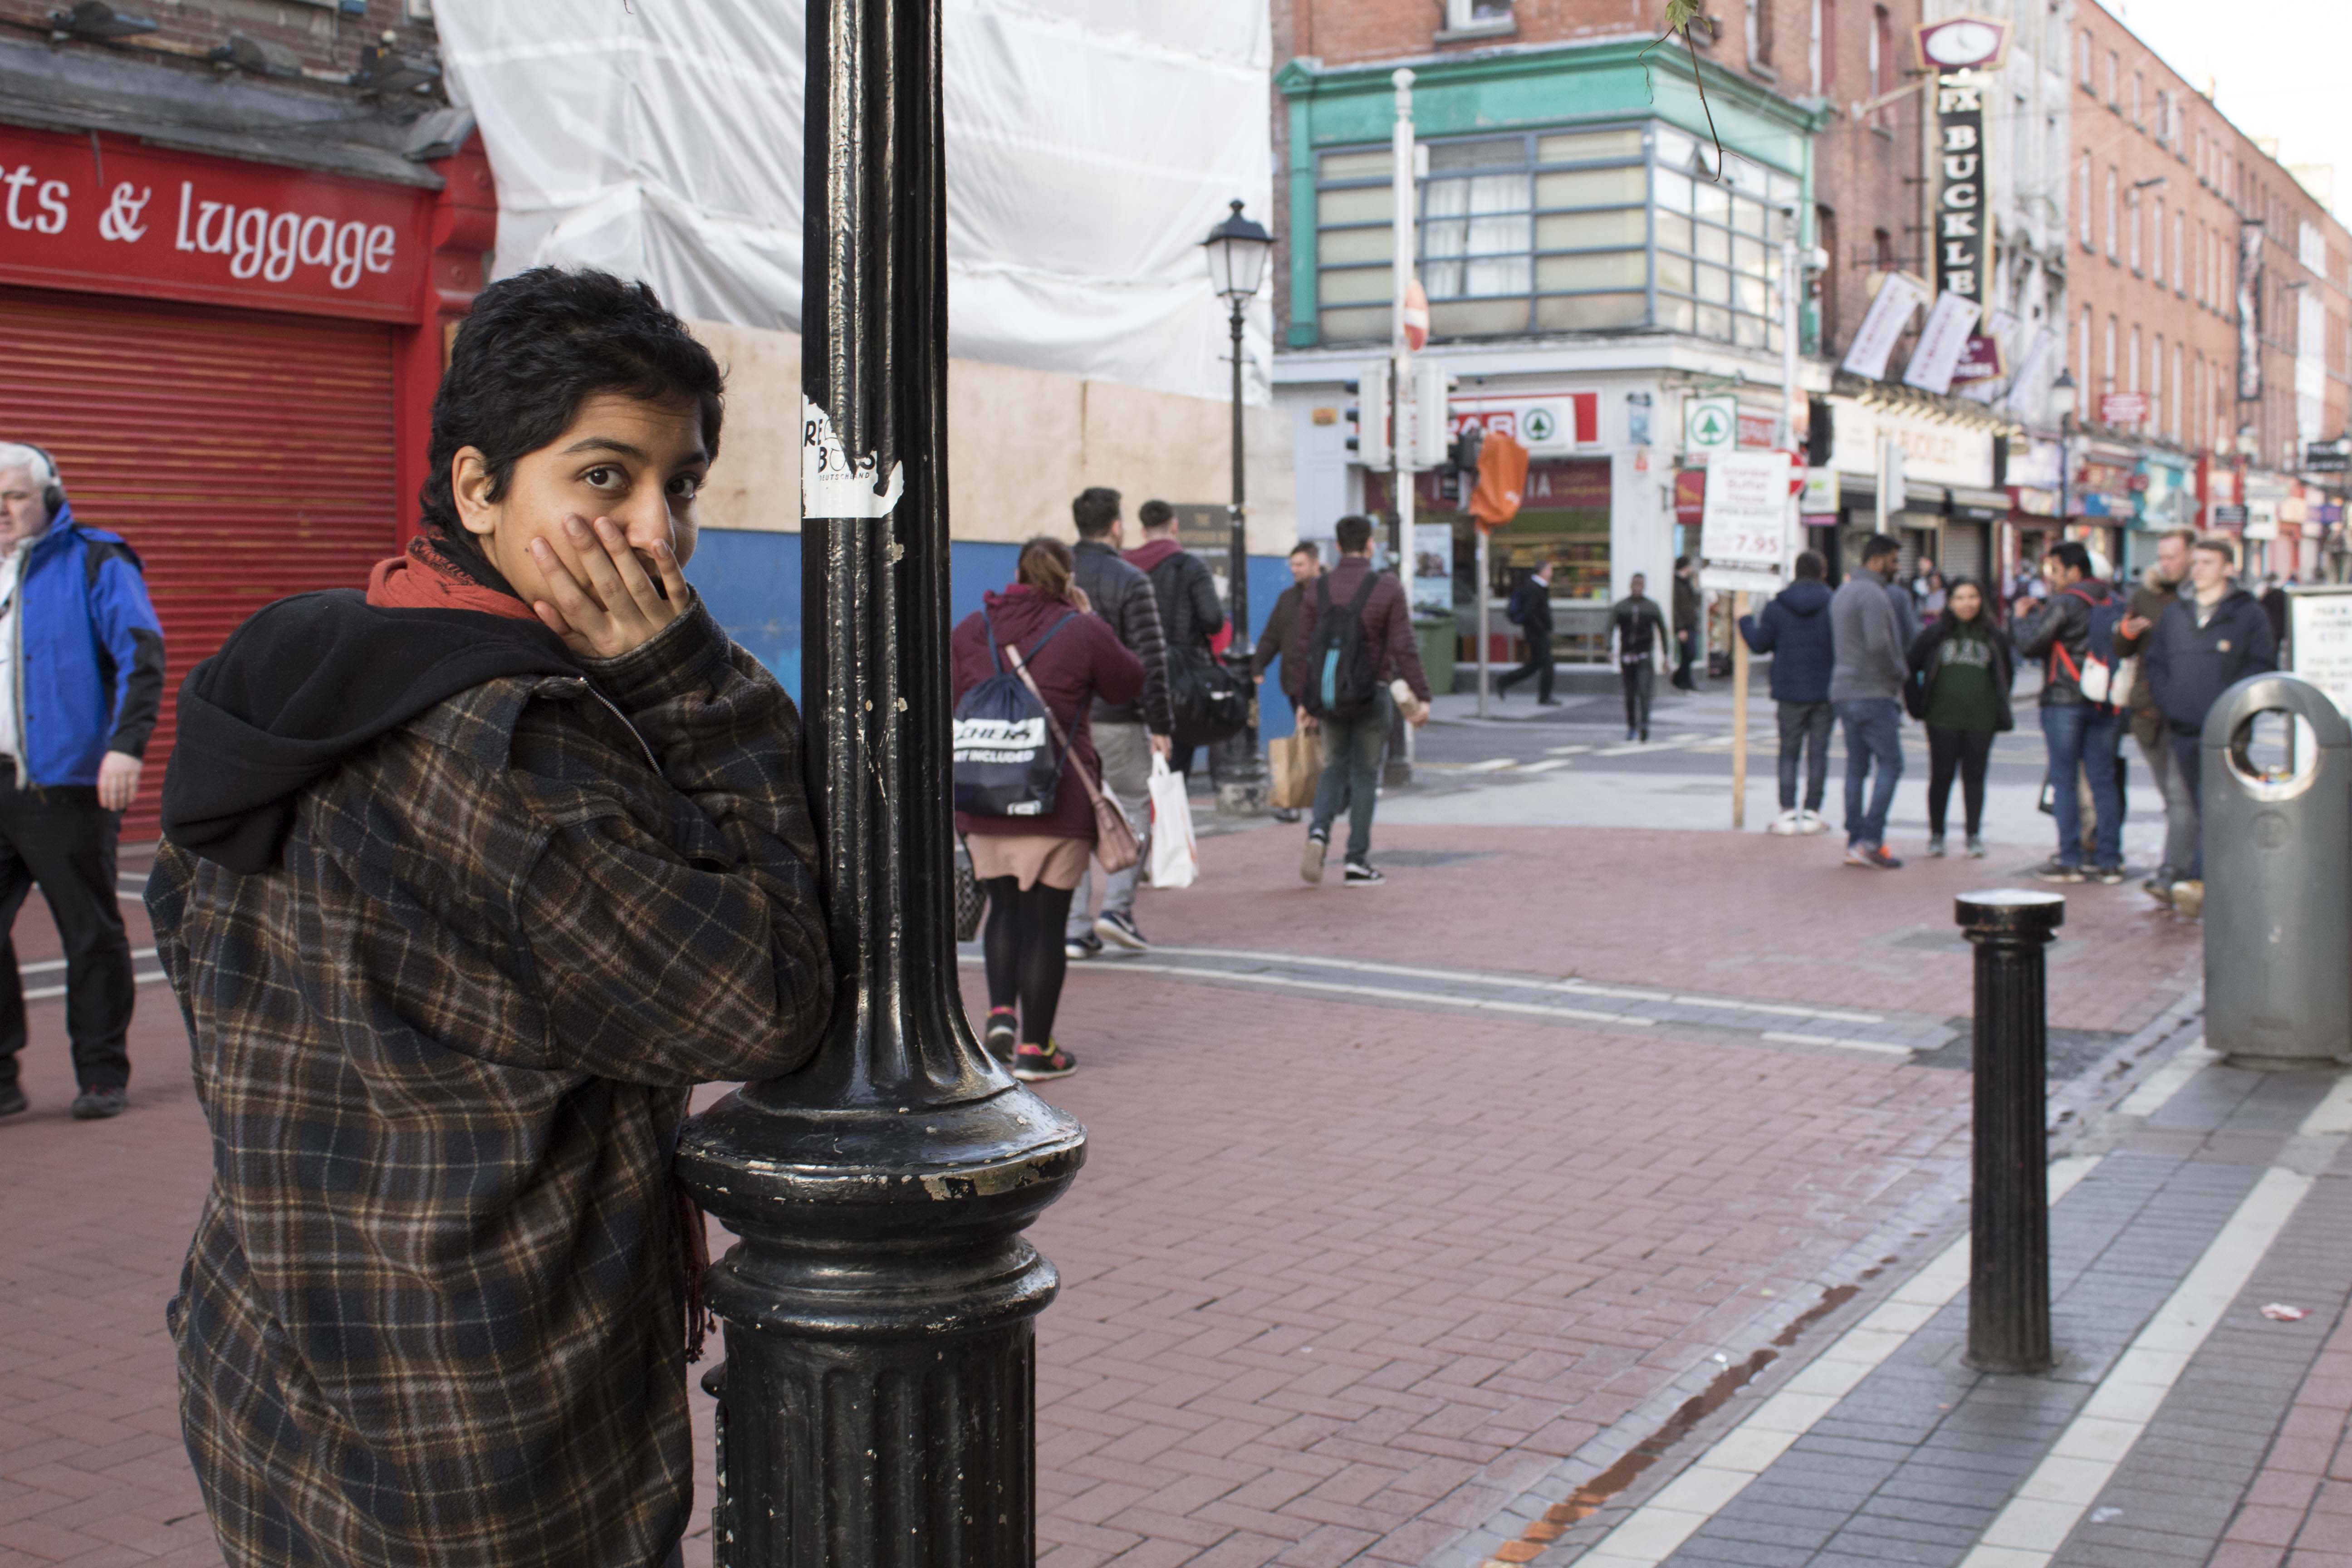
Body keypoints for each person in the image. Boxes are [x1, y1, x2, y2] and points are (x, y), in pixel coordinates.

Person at [148, 267, 834, 1568]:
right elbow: (775, 996)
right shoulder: (524, 745)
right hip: (482, 1422)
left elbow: (199, 949)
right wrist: (691, 682)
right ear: (478, 487)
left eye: (679, 487)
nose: (655, 533)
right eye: (602, 478)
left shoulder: (295, 668)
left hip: (263, 1358)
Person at [0, 443, 163, 1123]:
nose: (3, 512)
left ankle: (101, 1072)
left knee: (88, 931)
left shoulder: (96, 559)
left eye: (14, 497)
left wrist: (125, 748)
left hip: (65, 783)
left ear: (51, 498)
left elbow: (142, 654)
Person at [954, 536, 1142, 1078]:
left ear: (1016, 574)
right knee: (1046, 921)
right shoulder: (1080, 628)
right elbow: (1128, 682)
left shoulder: (972, 628)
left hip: (984, 796)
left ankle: (1000, 1019)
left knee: (1003, 909)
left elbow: (949, 701)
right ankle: (1038, 1050)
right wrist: (1090, 619)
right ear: (1067, 579)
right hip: (1057, 799)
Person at [1290, 513, 1430, 886]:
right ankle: (1356, 861)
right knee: (1365, 773)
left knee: (1334, 766)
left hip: (1330, 695)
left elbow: (1304, 649)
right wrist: (1422, 696)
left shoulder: (1317, 590)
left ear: (1336, 547)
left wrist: (1307, 700)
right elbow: (1404, 647)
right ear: (1371, 544)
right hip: (1373, 694)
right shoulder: (1386, 587)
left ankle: (1318, 832)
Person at [1063, 487, 1173, 958]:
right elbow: (1150, 658)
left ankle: (1074, 926)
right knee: (1131, 809)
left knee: (1071, 821)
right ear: (1115, 525)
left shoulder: (1055, 575)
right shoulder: (1130, 579)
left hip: (1065, 722)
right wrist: (1162, 724)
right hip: (1119, 719)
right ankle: (1119, 910)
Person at [2142, 534, 2277, 911]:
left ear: (2228, 568)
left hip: (2226, 729)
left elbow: (2261, 666)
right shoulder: (2176, 612)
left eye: (2207, 563)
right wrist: (2169, 702)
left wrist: (2233, 709)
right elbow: (2156, 662)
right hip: (2181, 724)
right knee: (2180, 801)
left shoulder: (2247, 613)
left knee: (2215, 803)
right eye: (2196, 562)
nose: (2197, 569)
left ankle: (2204, 877)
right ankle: (2175, 873)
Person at [2012, 540, 2124, 884]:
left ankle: (2070, 858)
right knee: (2103, 780)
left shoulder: (2067, 602)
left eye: (2056, 571)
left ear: (2075, 571)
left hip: (2064, 700)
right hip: (2105, 699)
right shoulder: (2115, 601)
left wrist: (2020, 619)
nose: (2053, 579)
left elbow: (2032, 643)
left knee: (2065, 780)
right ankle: (2109, 859)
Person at [2112, 529, 2195, 896]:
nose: (2165, 564)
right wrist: (2126, 633)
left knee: (2182, 797)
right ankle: (2187, 866)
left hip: (2190, 712)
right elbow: (2121, 649)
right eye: (2161, 556)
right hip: (2149, 712)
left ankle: (2173, 871)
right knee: (2173, 798)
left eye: (2173, 556)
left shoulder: (2203, 598)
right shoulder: (2146, 595)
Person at [1907, 578, 2014, 859]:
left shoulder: (1993, 635)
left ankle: (1973, 835)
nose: (1967, 604)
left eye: (1973, 597)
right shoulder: (1935, 634)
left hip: (1982, 719)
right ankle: (1937, 835)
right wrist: (1916, 705)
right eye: (1960, 598)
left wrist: (1997, 706)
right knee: (1941, 776)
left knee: (1975, 778)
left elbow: (2006, 673)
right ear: (1949, 602)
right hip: (1942, 718)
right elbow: (1910, 666)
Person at [1737, 549, 1835, 835]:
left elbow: (1759, 644)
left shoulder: (1776, 607)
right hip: (1825, 690)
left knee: (1788, 753)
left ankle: (1788, 812)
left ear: (1795, 572)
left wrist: (1743, 620)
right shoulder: (1834, 604)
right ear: (1823, 573)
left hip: (1789, 690)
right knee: (1818, 754)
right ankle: (1813, 813)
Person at [1124, 497, 1223, 777]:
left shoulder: (1124, 566)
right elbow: (1213, 620)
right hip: (1181, 678)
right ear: (1175, 527)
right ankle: (1167, 819)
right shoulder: (1192, 567)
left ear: (1143, 531)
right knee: (1176, 765)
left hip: (1131, 674)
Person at [1830, 533, 1909, 869]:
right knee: (1892, 764)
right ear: (1877, 561)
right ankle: (1871, 840)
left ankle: (1854, 842)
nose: (1896, 567)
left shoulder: (1844, 592)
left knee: (1856, 767)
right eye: (1893, 560)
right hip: (1872, 692)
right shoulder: (1874, 595)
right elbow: (1878, 645)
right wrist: (1898, 673)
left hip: (1844, 691)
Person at [1254, 540, 1321, 823]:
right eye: (1291, 565)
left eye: (1300, 565)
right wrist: (1258, 664)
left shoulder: (1330, 594)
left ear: (1315, 564)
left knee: (1325, 742)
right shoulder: (1287, 599)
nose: (1294, 570)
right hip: (1296, 683)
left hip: (1326, 683)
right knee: (1304, 741)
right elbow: (1272, 636)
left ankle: (1325, 797)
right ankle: (1297, 797)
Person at [1609, 572, 1670, 742]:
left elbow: (1663, 630)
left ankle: (1644, 724)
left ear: (1644, 587)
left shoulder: (1651, 607)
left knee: (1644, 691)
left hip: (1644, 654)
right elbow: (1610, 626)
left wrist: (1666, 655)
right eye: (1635, 585)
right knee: (1629, 694)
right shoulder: (1622, 607)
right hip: (1627, 655)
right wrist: (1609, 648)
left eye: (1640, 585)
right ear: (1630, 586)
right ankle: (1631, 726)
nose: (1637, 588)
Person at [1496, 560, 1561, 704]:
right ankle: (1544, 697)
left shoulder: (1537, 587)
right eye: (1550, 570)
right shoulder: (1534, 588)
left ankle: (1504, 681)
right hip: (1536, 633)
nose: (1551, 573)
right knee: (1547, 664)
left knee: (1536, 665)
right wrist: (1542, 629)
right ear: (1543, 571)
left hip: (1536, 632)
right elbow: (1530, 613)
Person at [1670, 556, 1700, 690]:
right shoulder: (1675, 583)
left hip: (1691, 622)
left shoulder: (1688, 582)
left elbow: (1695, 600)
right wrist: (1680, 628)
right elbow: (1675, 607)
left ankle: (1682, 680)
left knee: (1691, 654)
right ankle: (1681, 680)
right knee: (1688, 654)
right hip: (1683, 624)